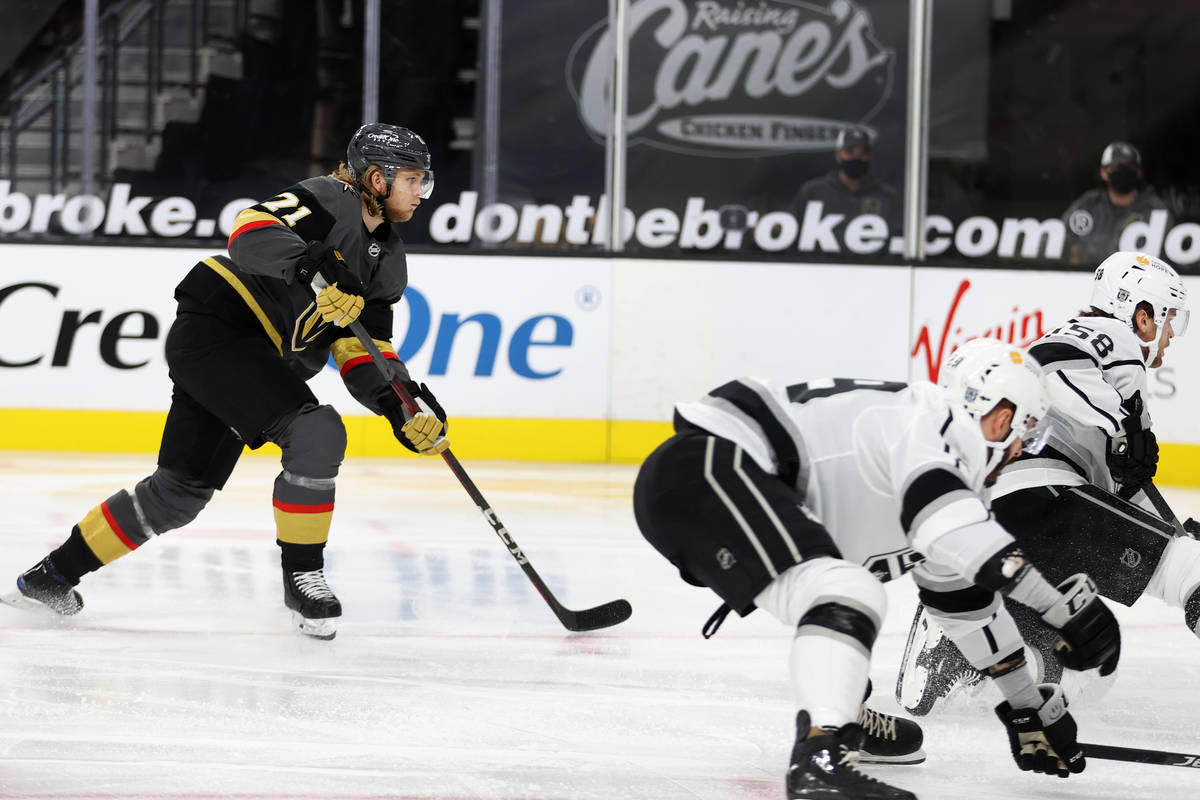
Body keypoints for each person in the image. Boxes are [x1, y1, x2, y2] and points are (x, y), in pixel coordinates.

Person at [3, 122, 450, 640]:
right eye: (414, 180)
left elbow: (361, 346)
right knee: (317, 432)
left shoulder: (389, 262)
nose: (422, 193)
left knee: (177, 496)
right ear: (377, 178)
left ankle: (49, 578)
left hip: (252, 361)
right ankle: (302, 576)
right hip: (222, 330)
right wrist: (313, 267)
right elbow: (249, 233)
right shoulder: (329, 198)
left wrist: (400, 405)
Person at [632, 354, 1121, 799]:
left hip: (707, 484)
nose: (1022, 451)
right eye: (1027, 432)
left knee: (833, 589)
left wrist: (1026, 704)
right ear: (998, 415)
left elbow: (968, 612)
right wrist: (1055, 605)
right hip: (710, 466)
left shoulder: (951, 488)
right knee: (848, 589)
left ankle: (843, 717)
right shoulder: (929, 422)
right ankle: (820, 755)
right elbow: (947, 522)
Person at [897, 251, 1200, 716]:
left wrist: (1173, 533)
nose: (1170, 339)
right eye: (1170, 321)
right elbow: (1048, 365)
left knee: (1082, 667)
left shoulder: (1096, 348)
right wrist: (1121, 424)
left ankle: (957, 647)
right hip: (1044, 498)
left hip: (1015, 514)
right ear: (1143, 315)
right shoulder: (1114, 337)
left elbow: (1121, 490)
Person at [1062, 142, 1173, 267]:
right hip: (1088, 277)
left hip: (1136, 282)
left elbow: (1168, 260)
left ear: (1139, 172)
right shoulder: (1088, 205)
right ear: (1103, 172)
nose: (1123, 171)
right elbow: (1061, 240)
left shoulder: (1155, 210)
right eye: (1116, 167)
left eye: (1130, 167)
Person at [792, 126, 901, 248]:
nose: (857, 157)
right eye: (850, 151)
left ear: (870, 156)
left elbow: (895, 241)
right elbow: (793, 235)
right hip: (821, 265)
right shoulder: (813, 192)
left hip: (871, 266)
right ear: (838, 155)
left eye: (863, 152)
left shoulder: (887, 196)